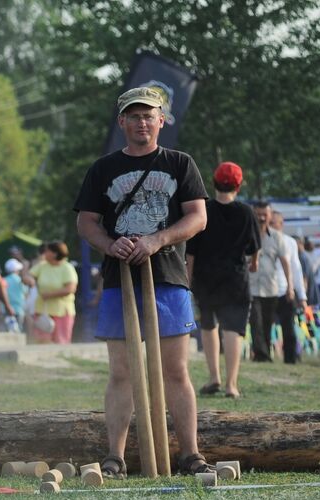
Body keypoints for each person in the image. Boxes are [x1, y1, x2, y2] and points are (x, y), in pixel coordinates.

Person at [73, 84, 210, 477]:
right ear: (122, 122)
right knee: (122, 370)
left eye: (148, 115)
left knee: (175, 371)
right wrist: (110, 244)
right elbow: (86, 222)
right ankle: (114, 457)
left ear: (161, 121)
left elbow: (197, 217)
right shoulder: (103, 168)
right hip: (120, 280)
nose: (142, 122)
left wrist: (156, 239)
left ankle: (190, 454)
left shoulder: (180, 163)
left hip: (167, 276)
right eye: (134, 116)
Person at [185, 161, 260, 399]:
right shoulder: (247, 212)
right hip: (235, 278)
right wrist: (255, 262)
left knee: (208, 326)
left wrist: (188, 278)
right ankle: (231, 385)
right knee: (232, 329)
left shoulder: (203, 211)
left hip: (205, 277)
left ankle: (213, 377)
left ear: (214, 183)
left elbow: (191, 251)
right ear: (238, 185)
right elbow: (254, 247)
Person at [247, 202, 292, 363]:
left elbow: (286, 263)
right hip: (251, 287)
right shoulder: (247, 234)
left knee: (267, 324)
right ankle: (261, 355)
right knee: (256, 321)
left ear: (270, 215)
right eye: (258, 214)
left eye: (264, 214)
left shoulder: (277, 237)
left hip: (270, 287)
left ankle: (264, 353)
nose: (261, 218)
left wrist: (290, 287)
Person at [27, 241, 78, 344]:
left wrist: (49, 295)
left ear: (55, 254)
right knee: (41, 341)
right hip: (43, 311)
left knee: (61, 341)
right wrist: (29, 280)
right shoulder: (42, 266)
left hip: (62, 312)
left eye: (47, 251)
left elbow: (70, 289)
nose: (44, 253)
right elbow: (29, 275)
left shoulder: (67, 268)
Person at [271, 210, 305, 363]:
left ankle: (290, 359)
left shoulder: (290, 242)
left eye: (273, 223)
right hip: (266, 291)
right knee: (262, 328)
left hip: (285, 290)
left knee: (289, 328)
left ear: (281, 224)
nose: (270, 226)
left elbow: (296, 269)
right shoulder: (259, 239)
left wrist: (302, 296)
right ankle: (263, 359)